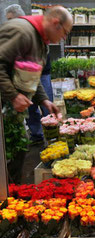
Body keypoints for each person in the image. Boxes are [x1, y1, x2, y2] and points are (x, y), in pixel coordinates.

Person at [0, 6, 73, 182]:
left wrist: (44, 101)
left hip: (12, 113)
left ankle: (12, 196)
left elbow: (31, 75)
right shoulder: (22, 32)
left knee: (18, 152)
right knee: (10, 154)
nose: (63, 38)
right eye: (64, 33)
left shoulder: (40, 40)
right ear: (56, 23)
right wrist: (13, 96)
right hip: (5, 109)